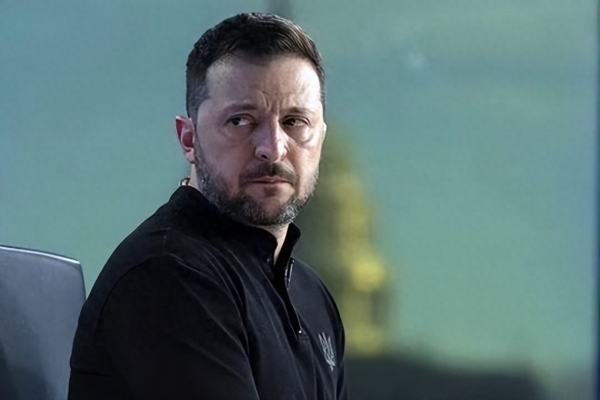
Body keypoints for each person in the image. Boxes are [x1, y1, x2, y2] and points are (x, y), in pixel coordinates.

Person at [68, 12, 348, 400]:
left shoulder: (312, 296)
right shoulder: (167, 276)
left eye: (295, 121)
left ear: (320, 138)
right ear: (188, 139)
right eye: (241, 121)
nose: (272, 148)